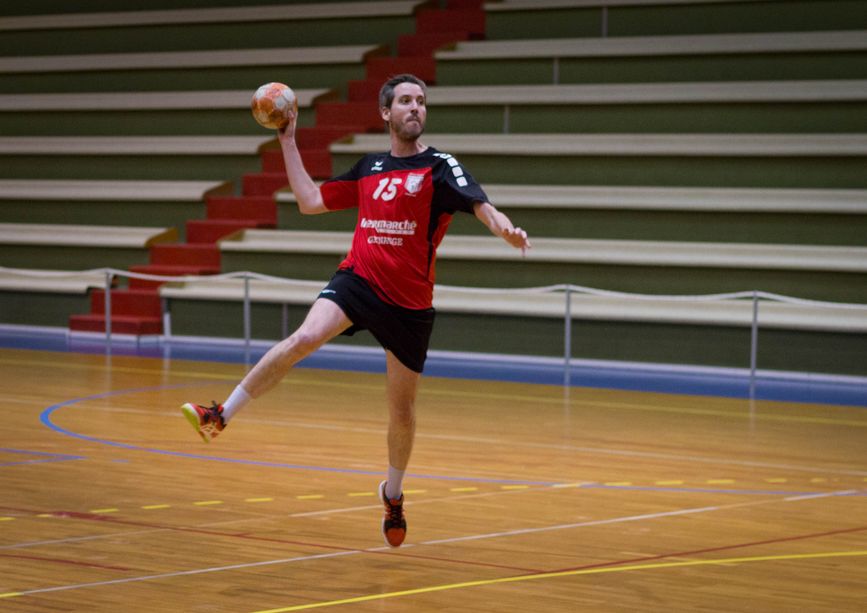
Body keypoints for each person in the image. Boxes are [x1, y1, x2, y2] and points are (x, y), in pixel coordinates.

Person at [181, 74, 531, 548]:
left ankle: (393, 494)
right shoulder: (370, 167)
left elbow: (482, 206)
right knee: (303, 338)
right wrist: (287, 140)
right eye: (405, 101)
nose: (415, 107)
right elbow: (309, 202)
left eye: (421, 101)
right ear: (386, 113)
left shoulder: (440, 166)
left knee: (401, 412)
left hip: (408, 304)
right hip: (358, 280)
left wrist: (505, 230)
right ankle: (221, 414)